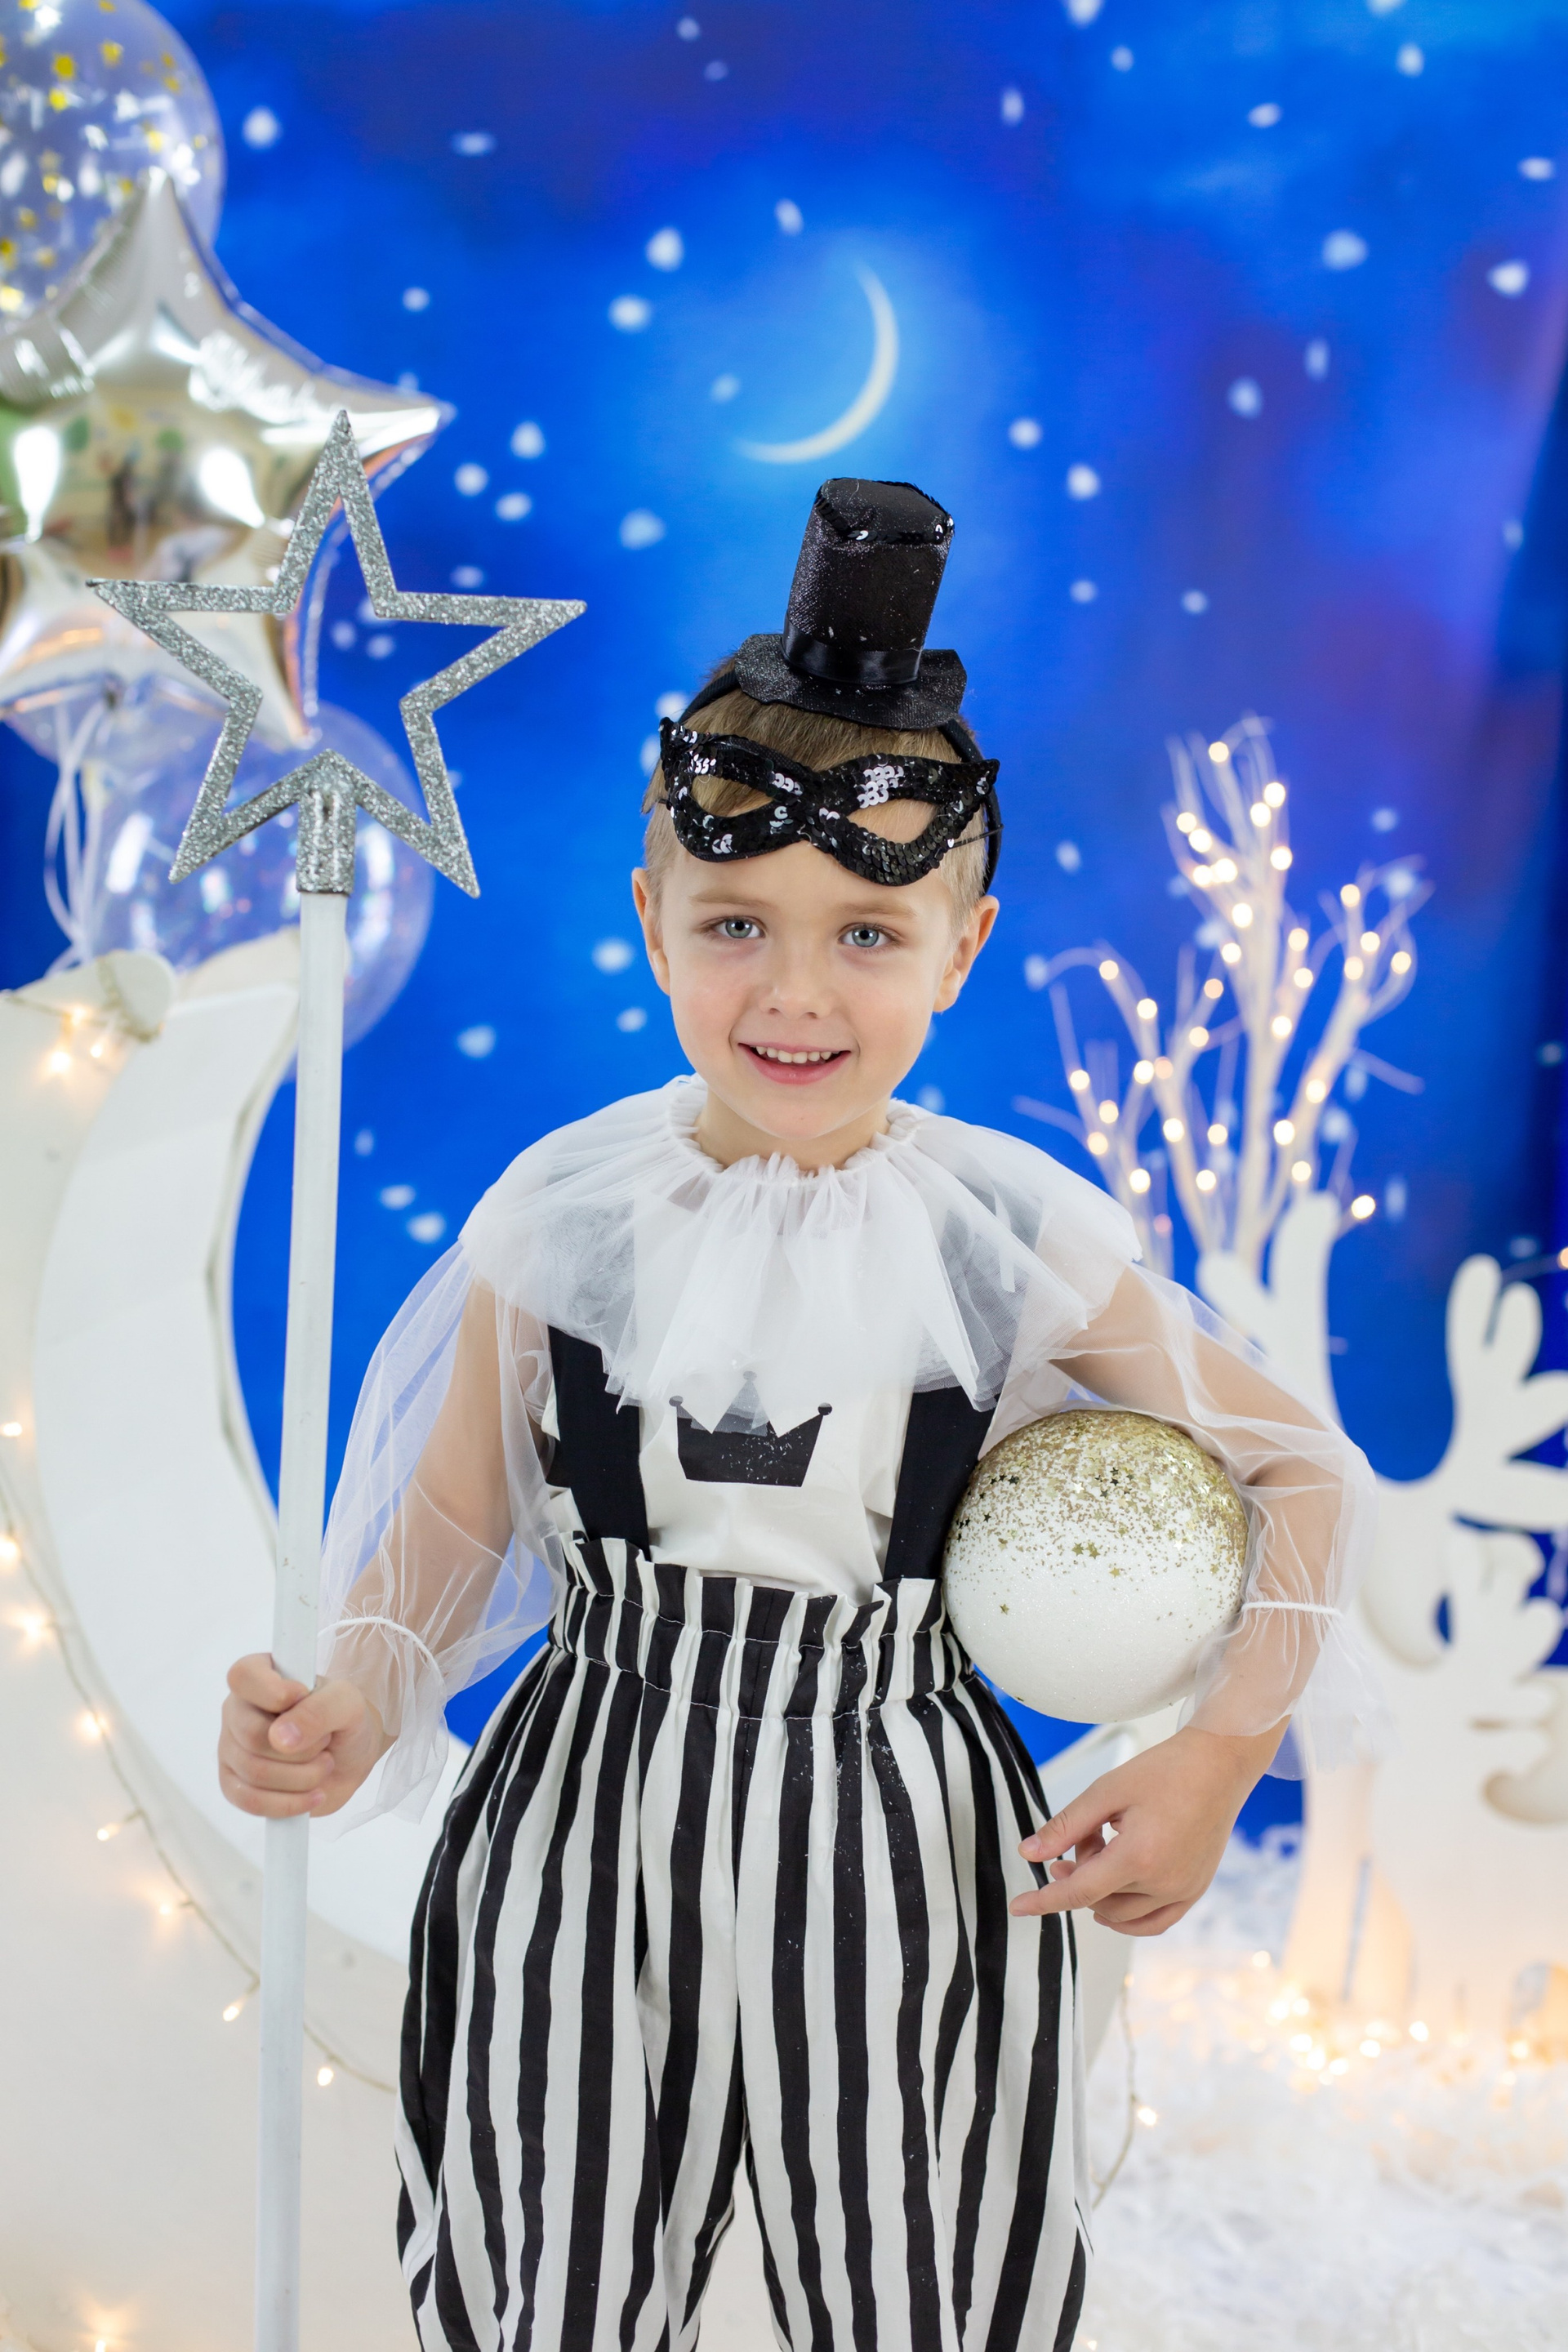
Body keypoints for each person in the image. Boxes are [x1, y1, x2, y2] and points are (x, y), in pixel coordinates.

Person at [218, 479, 1381, 2352]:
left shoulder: (1005, 1238)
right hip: (582, 1827)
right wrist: (362, 1686)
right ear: (652, 919)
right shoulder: (567, 1213)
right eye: (738, 922)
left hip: (902, 1839)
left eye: (868, 936)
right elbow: (451, 1525)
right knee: (544, 2266)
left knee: (928, 2275)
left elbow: (1299, 1468)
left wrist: (1218, 1755)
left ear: (964, 945)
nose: (793, 992)